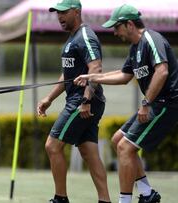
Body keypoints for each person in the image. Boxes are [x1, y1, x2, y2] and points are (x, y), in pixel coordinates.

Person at [74, 4, 178, 203]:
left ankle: (125, 201)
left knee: (125, 147)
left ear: (129, 24)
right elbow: (123, 76)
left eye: (116, 27)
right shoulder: (135, 48)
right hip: (156, 103)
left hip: (168, 103)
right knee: (117, 140)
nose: (114, 33)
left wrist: (146, 103)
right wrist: (92, 77)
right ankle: (147, 194)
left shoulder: (151, 39)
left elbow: (162, 71)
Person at [37, 0, 111, 203]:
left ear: (76, 12)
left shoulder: (85, 36)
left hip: (83, 100)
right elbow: (68, 75)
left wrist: (86, 99)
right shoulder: (73, 38)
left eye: (63, 12)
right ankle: (105, 200)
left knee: (52, 146)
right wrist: (49, 98)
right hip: (83, 99)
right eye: (57, 13)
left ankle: (60, 199)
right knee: (89, 151)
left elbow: (95, 68)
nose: (59, 16)